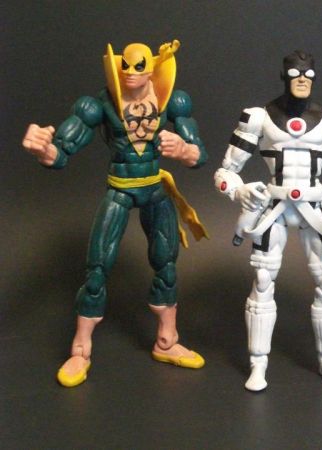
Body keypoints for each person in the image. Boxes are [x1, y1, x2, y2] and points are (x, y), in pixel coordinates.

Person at [22, 40, 209, 387]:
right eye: (126, 66)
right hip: (120, 189)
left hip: (154, 188)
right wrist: (43, 149)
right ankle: (81, 349)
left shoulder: (172, 100)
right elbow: (61, 153)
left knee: (167, 264)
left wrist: (184, 150)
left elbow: (200, 155)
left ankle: (167, 340)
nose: (131, 73)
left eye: (139, 66)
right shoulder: (99, 105)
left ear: (152, 68)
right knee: (97, 267)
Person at [214, 50, 322, 391]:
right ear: (284, 76)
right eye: (295, 73)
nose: (302, 79)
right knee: (262, 279)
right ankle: (258, 364)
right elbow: (225, 172)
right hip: (272, 206)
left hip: (315, 208)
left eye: (308, 74)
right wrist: (239, 191)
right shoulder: (258, 118)